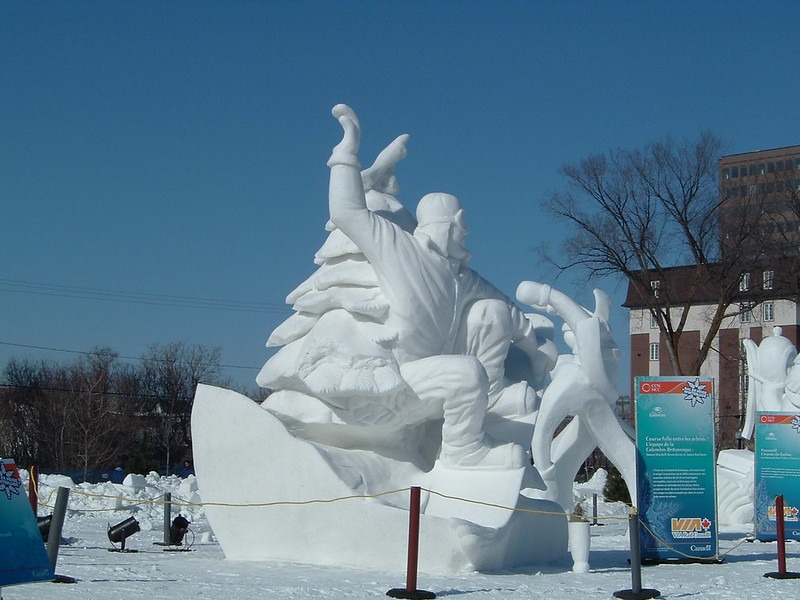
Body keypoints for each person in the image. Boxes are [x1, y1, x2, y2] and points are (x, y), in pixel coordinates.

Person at [326, 104, 547, 469]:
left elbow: (503, 306)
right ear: (448, 225)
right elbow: (347, 212)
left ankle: (487, 398)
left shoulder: (459, 275)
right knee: (465, 372)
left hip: (437, 379)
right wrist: (347, 152)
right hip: (399, 386)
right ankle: (464, 451)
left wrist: (534, 350)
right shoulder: (399, 247)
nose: (468, 233)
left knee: (489, 311)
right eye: (463, 225)